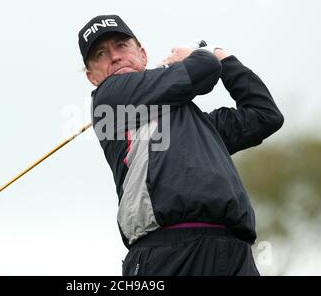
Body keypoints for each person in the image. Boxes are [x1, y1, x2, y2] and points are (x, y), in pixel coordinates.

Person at [78, 15, 284, 276]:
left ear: (142, 54)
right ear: (92, 77)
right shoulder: (109, 100)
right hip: (167, 253)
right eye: (101, 54)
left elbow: (264, 114)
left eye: (121, 45)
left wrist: (222, 56)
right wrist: (203, 55)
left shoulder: (199, 124)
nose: (115, 57)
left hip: (234, 253)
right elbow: (203, 69)